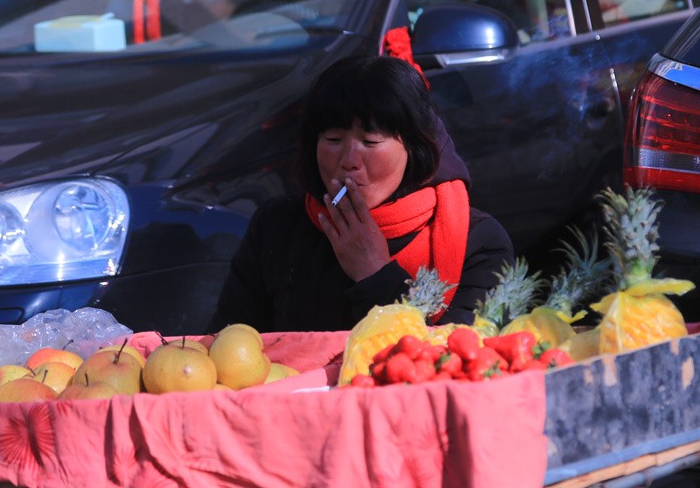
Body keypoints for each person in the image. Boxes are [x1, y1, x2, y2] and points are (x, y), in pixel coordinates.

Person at [208, 53, 513, 333]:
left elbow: (459, 360)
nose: (349, 160)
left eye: (370, 142)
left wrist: (375, 273)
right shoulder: (277, 226)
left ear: (414, 146)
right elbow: (229, 341)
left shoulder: (478, 242)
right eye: (333, 139)